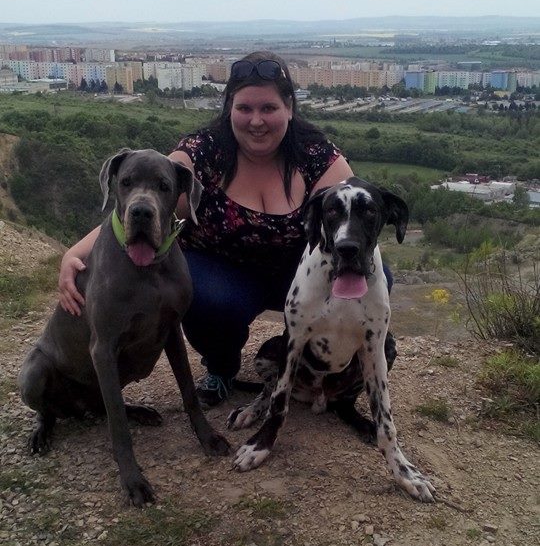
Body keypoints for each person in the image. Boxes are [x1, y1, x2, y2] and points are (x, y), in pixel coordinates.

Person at [59, 51, 393, 408]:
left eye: (268, 108)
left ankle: (316, 363)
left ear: (289, 108)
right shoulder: (201, 154)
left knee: (373, 274)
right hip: (223, 277)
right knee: (206, 297)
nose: (256, 121)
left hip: (299, 275)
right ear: (229, 108)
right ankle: (221, 369)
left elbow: (354, 223)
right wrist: (75, 253)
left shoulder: (316, 155)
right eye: (244, 108)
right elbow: (143, 203)